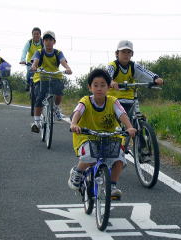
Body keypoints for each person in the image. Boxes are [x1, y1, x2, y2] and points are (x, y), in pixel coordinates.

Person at [68, 68, 137, 199]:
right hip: (87, 135)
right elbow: (78, 111)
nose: (99, 88)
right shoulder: (86, 101)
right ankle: (78, 172)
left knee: (119, 158)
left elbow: (122, 113)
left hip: (110, 136)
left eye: (103, 85)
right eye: (95, 85)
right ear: (90, 87)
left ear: (108, 87)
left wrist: (129, 127)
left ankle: (112, 186)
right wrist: (74, 124)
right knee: (89, 155)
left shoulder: (112, 101)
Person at [107, 40, 163, 116]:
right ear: (117, 53)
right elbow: (107, 76)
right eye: (123, 52)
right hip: (114, 100)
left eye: (128, 52)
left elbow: (144, 72)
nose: (126, 55)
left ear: (132, 54)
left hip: (130, 99)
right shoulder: (112, 66)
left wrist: (155, 78)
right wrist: (111, 82)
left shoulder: (133, 66)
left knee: (135, 117)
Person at [30, 30, 72, 132]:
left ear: (54, 42)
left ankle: (56, 108)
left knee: (59, 92)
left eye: (50, 40)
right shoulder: (39, 52)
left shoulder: (58, 53)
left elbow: (62, 61)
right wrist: (34, 66)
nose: (48, 42)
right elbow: (35, 61)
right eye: (46, 40)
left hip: (55, 76)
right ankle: (36, 122)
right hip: (41, 76)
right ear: (43, 41)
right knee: (40, 97)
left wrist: (68, 68)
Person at [19, 27, 43, 92]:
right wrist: (23, 59)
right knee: (29, 73)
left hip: (40, 62)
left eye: (37, 34)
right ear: (32, 35)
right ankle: (28, 84)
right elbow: (24, 51)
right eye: (34, 34)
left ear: (40, 35)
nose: (36, 35)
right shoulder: (29, 42)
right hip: (30, 62)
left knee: (43, 75)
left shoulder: (43, 42)